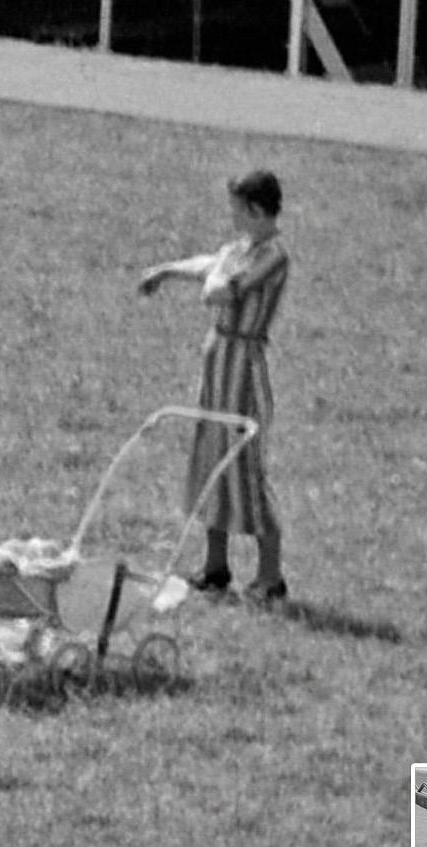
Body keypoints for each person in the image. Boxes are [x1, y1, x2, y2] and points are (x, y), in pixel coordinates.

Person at [138, 169, 289, 602]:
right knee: (210, 461)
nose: (233, 217)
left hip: (243, 369)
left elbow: (224, 289)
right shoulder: (243, 248)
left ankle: (270, 576)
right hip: (217, 364)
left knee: (245, 467)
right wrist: (166, 270)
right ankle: (215, 566)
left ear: (257, 210)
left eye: (239, 209)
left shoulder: (273, 255)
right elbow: (211, 265)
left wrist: (213, 281)